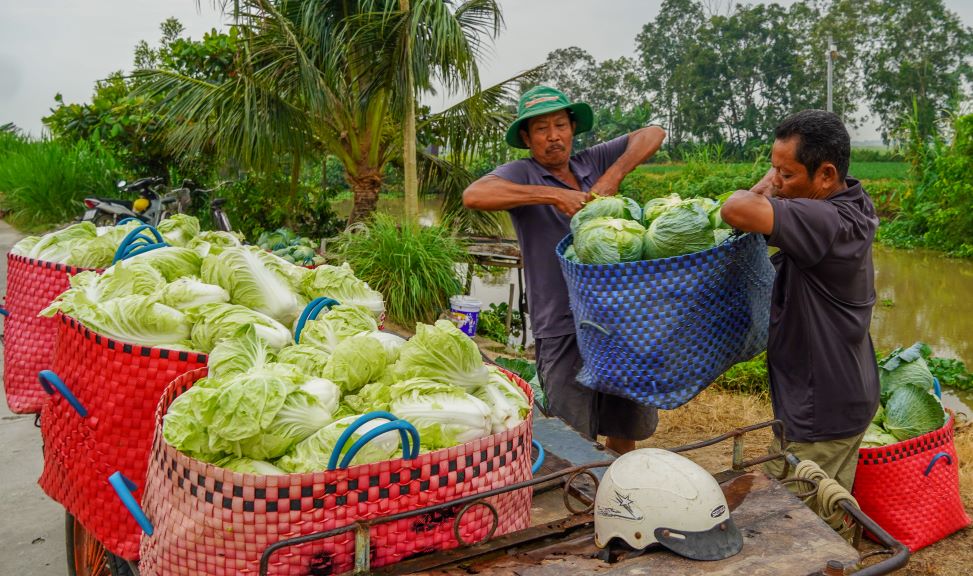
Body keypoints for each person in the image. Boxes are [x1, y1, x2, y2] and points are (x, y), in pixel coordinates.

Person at [463, 85, 666, 454]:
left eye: (560, 124)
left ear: (573, 128)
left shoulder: (593, 161)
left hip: (618, 318)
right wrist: (553, 195)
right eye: (541, 129)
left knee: (625, 418)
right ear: (527, 138)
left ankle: (621, 494)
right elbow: (474, 195)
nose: (553, 136)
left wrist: (613, 175)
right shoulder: (522, 173)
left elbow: (653, 133)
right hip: (560, 322)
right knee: (571, 431)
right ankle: (579, 496)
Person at [720, 109, 880, 491]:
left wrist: (763, 188)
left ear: (826, 174)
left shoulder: (824, 220)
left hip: (821, 410)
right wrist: (783, 178)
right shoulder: (853, 201)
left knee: (794, 525)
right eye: (774, 170)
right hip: (843, 396)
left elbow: (734, 210)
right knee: (826, 505)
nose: (777, 182)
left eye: (787, 174)